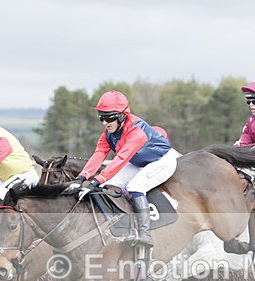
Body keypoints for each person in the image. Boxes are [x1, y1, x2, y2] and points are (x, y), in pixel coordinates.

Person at [75, 90, 180, 247]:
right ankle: (122, 225)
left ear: (122, 115)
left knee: (135, 186)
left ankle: (145, 234)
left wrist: (95, 180)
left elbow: (121, 159)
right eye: (101, 117)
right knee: (107, 186)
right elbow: (98, 154)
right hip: (140, 161)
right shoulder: (108, 133)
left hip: (163, 160)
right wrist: (81, 178)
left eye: (109, 117)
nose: (104, 122)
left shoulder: (136, 131)